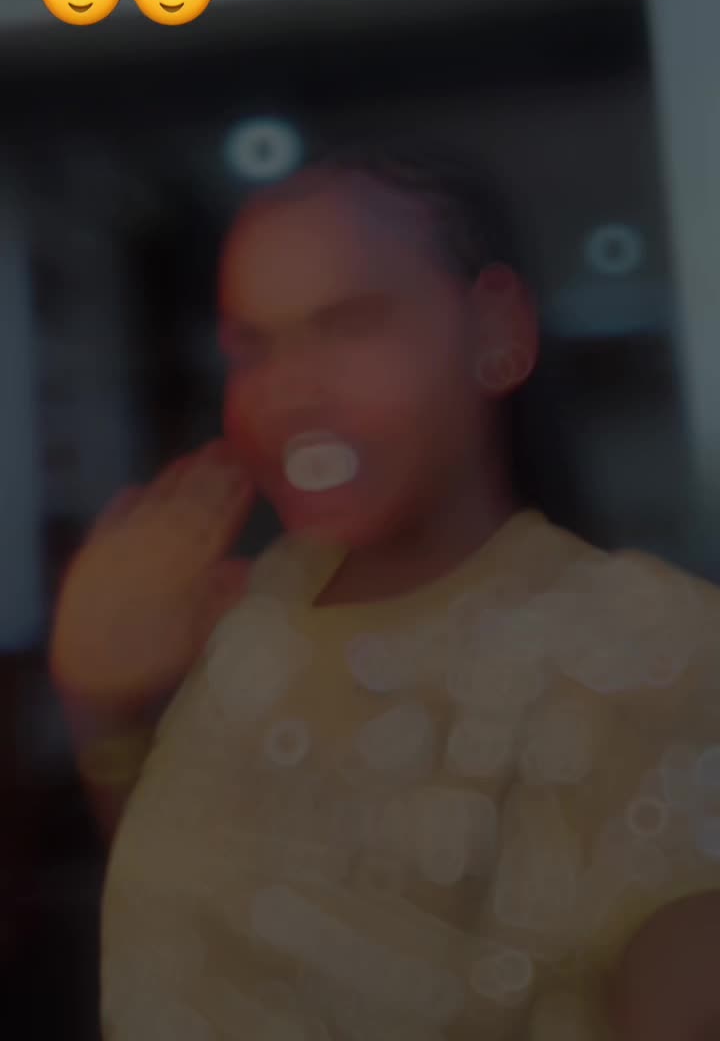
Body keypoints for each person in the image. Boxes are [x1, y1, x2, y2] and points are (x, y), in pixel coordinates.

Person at [51, 142, 720, 1040]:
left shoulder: (654, 654)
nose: (289, 394)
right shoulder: (263, 608)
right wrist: (106, 709)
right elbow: (197, 932)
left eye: (351, 324)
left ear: (497, 332)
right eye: (253, 347)